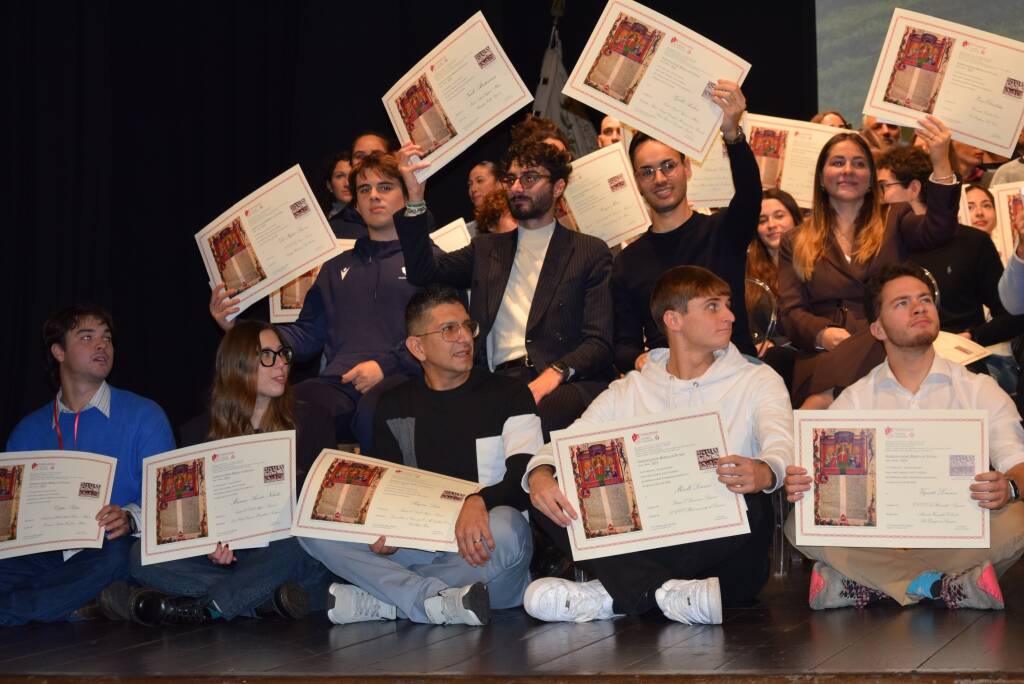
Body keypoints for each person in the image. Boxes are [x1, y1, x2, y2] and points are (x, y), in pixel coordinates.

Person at [523, 266, 792, 625]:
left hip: (726, 554)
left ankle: (614, 595)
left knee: (751, 501)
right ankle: (660, 594)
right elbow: (571, 441)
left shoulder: (757, 379)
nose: (730, 316)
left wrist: (764, 471)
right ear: (673, 320)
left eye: (728, 305)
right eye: (713, 306)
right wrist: (541, 473)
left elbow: (781, 445)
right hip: (675, 558)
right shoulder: (631, 388)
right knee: (548, 498)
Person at [784, 263, 1024, 610]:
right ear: (878, 329)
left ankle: (868, 584)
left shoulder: (978, 389)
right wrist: (806, 483)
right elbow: (830, 488)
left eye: (925, 299)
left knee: (1017, 519)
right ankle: (944, 586)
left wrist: (1009, 487)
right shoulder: (857, 398)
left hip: (954, 533)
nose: (919, 307)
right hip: (883, 537)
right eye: (902, 303)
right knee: (800, 522)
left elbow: (1019, 464)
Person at [299, 285, 540, 626]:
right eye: (448, 329)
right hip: (420, 548)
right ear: (417, 346)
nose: (464, 338)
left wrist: (479, 501)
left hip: (484, 554)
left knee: (509, 526)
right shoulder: (393, 405)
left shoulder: (510, 393)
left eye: (466, 326)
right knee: (313, 529)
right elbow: (386, 493)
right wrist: (384, 533)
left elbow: (525, 476)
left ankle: (388, 600)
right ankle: (430, 601)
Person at [395, 138, 614, 437]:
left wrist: (555, 373)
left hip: (558, 380)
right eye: (511, 178)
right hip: (494, 379)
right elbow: (423, 272)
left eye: (530, 177)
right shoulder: (486, 249)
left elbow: (599, 342)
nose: (517, 187)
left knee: (533, 419)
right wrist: (415, 197)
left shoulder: (588, 251)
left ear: (559, 187)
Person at [126, 321, 335, 626]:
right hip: (232, 562)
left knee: (304, 541)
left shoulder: (313, 420)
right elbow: (194, 518)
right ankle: (263, 601)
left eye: (283, 354)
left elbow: (321, 513)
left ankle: (212, 605)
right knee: (138, 555)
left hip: (285, 552)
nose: (280, 364)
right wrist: (208, 547)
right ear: (237, 366)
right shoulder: (199, 432)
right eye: (266, 355)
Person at [211, 151, 422, 452]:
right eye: (364, 190)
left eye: (385, 187)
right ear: (356, 204)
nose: (374, 196)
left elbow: (435, 334)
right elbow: (308, 334)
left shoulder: (426, 261)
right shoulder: (335, 267)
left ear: (406, 194)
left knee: (374, 412)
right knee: (283, 406)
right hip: (338, 383)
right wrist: (238, 327)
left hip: (402, 378)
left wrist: (384, 367)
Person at [1, 306, 175, 626]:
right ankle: (75, 605)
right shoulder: (27, 431)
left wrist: (129, 518)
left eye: (107, 338)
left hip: (109, 546)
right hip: (47, 553)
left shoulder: (145, 416)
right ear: (59, 352)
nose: (102, 345)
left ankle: (20, 610)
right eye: (87, 337)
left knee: (121, 558)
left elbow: (171, 505)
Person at [777, 118, 958, 355]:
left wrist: (941, 161)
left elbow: (939, 230)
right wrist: (822, 334)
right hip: (828, 354)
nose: (848, 170)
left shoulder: (895, 216)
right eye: (838, 162)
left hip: (890, 347)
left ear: (872, 179)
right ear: (821, 177)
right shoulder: (794, 239)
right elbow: (790, 312)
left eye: (859, 164)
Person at [612, 80, 759, 371]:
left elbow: (750, 193)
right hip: (668, 380)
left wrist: (732, 133)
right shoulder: (627, 262)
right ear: (637, 183)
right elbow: (623, 345)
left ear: (687, 168)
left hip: (734, 367)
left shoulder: (723, 231)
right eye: (647, 172)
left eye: (668, 166)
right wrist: (639, 360)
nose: (660, 179)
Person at [330, 131, 399, 239]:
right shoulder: (335, 228)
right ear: (351, 164)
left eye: (376, 155)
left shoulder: (417, 214)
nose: (368, 161)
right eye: (360, 156)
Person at [466, 161, 501, 237]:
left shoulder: (516, 216)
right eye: (470, 184)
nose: (473, 189)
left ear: (498, 183)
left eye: (480, 181)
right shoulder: (468, 233)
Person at [320, 151, 352, 219]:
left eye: (352, 176)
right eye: (339, 176)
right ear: (329, 185)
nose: (347, 183)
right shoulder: (322, 221)